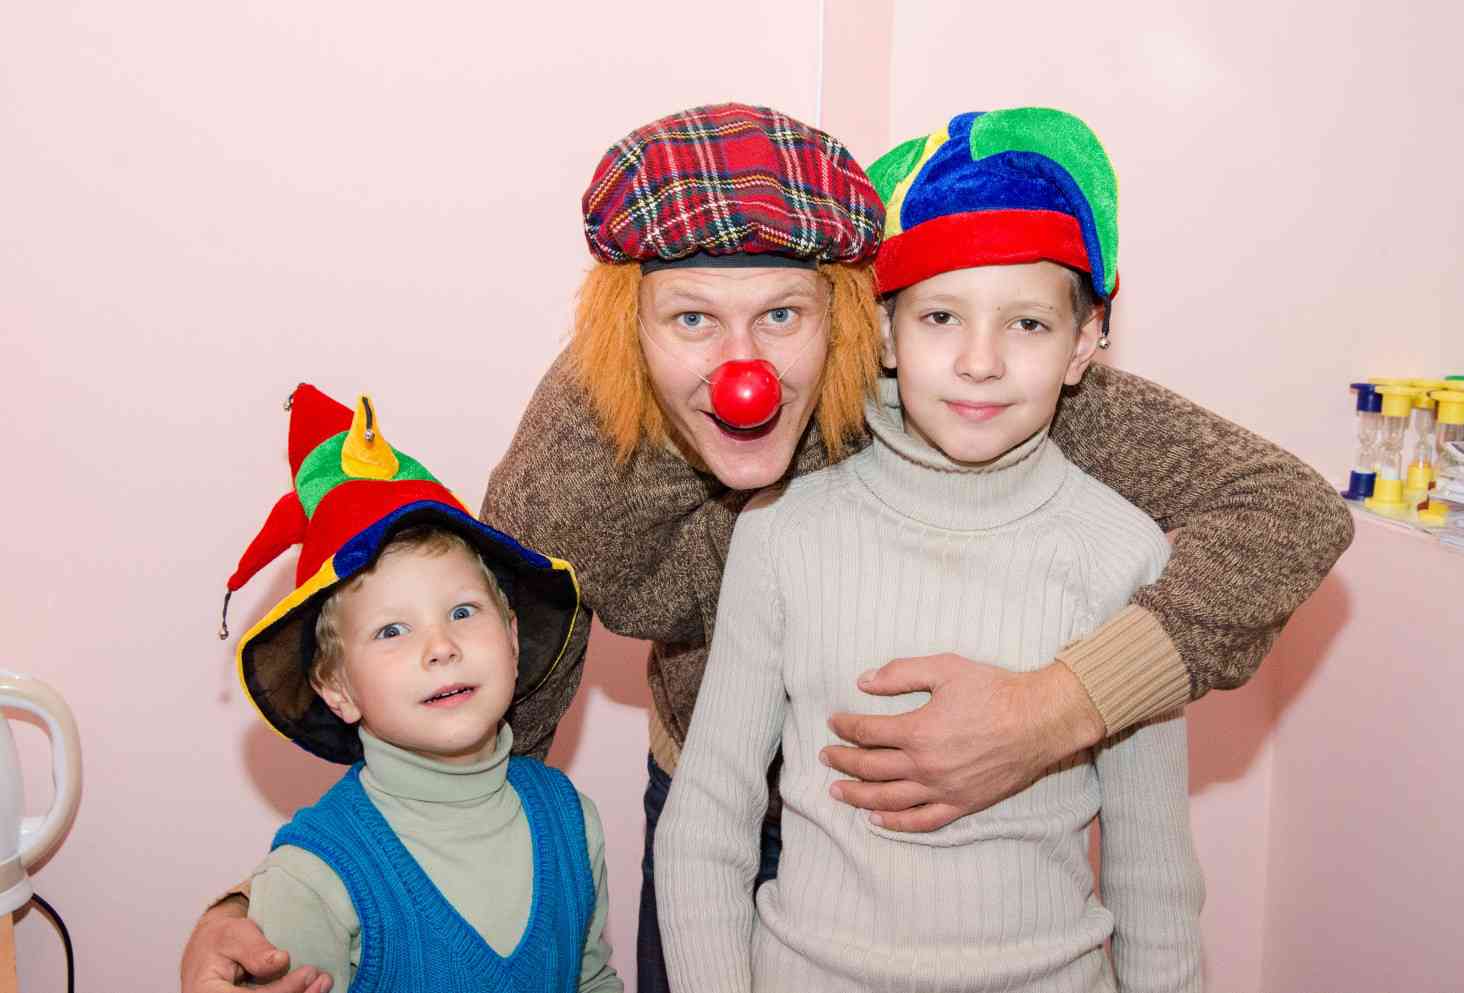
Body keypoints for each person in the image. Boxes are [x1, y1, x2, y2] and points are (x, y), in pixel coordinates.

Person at [181, 104, 1352, 993]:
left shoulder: (961, 374)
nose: (741, 373)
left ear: (852, 319)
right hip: (720, 819)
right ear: (628, 330)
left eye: (783, 315)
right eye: (692, 319)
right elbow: (470, 715)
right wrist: (272, 908)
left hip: (997, 868)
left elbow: (1288, 512)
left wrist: (1060, 706)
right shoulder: (575, 455)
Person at [657, 107, 1204, 992]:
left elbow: (1155, 879)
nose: (980, 361)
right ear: (882, 333)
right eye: (942, 315)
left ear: (1085, 342)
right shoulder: (783, 530)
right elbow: (708, 825)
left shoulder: (1124, 555)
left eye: (1028, 324)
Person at [223, 384, 619, 993]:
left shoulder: (572, 821)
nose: (441, 646)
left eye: (462, 612)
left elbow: (592, 980)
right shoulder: (311, 883)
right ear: (336, 688)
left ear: (512, 638)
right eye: (392, 630)